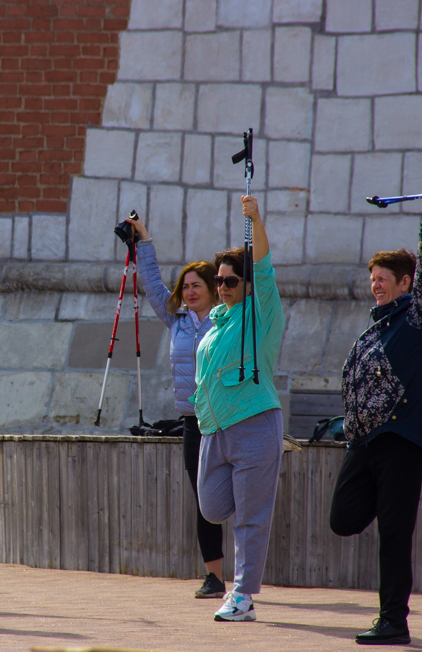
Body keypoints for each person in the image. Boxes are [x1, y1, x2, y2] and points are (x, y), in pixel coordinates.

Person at [329, 185, 422, 646]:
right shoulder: (375, 327)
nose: (376, 283)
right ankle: (391, 500)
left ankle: (393, 622)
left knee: (395, 537)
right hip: (363, 444)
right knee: (343, 519)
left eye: (385, 278)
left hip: (400, 441)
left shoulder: (418, 319)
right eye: (373, 277)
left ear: (405, 284)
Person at [191, 195, 285, 622]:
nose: (223, 286)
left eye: (231, 281)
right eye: (220, 280)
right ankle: (241, 587)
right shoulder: (214, 327)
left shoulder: (259, 315)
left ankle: (243, 595)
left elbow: (263, 269)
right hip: (215, 431)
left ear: (246, 285)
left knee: (250, 517)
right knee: (211, 508)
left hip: (254, 425)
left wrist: (256, 220)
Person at [125, 215, 225, 599]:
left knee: (236, 497)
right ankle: (214, 577)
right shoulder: (176, 320)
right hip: (193, 422)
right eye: (186, 287)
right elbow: (151, 283)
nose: (190, 292)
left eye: (197, 286)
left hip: (228, 420)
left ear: (215, 290)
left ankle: (247, 578)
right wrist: (143, 240)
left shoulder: (227, 321)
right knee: (203, 501)